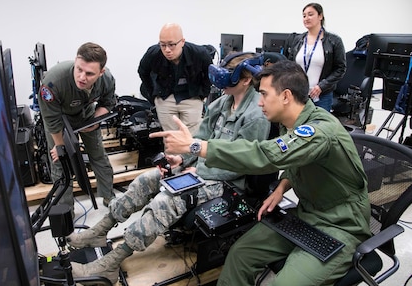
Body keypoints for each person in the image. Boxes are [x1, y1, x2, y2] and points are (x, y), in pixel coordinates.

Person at [150, 60, 371, 286]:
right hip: (307, 214)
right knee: (239, 254)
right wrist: (283, 185)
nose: (260, 102)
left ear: (286, 96)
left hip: (341, 226)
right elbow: (300, 161)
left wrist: (197, 146)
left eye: (264, 95)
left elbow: (267, 155)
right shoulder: (290, 123)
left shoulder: (319, 130)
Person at [67, 52, 273, 284]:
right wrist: (181, 161)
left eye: (228, 77)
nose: (221, 83)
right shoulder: (222, 103)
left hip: (227, 182)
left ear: (245, 80)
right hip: (201, 169)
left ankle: (112, 261)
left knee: (166, 200)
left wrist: (199, 172)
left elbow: (242, 163)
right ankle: (100, 230)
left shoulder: (256, 115)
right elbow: (199, 140)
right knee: (147, 179)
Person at [38, 42, 116, 211]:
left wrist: (94, 121)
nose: (82, 77)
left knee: (98, 156)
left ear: (101, 72)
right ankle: (66, 210)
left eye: (89, 73)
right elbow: (51, 119)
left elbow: (108, 103)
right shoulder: (52, 82)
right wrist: (60, 145)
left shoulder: (107, 79)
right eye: (79, 69)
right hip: (58, 120)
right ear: (75, 61)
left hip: (86, 115)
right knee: (60, 161)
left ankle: (109, 197)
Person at [138, 23, 213, 134]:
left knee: (191, 139)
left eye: (171, 44)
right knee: (170, 139)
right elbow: (142, 72)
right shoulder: (153, 54)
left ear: (182, 42)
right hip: (165, 98)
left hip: (191, 97)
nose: (167, 50)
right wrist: (153, 95)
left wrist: (203, 95)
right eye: (162, 45)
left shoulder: (200, 54)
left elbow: (209, 74)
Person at [285, 2, 346, 112]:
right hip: (299, 93)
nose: (306, 18)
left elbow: (340, 68)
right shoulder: (298, 40)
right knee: (298, 125)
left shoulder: (334, 41)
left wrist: (322, 86)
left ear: (320, 16)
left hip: (321, 95)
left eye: (310, 14)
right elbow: (291, 65)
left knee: (318, 126)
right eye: (304, 16)